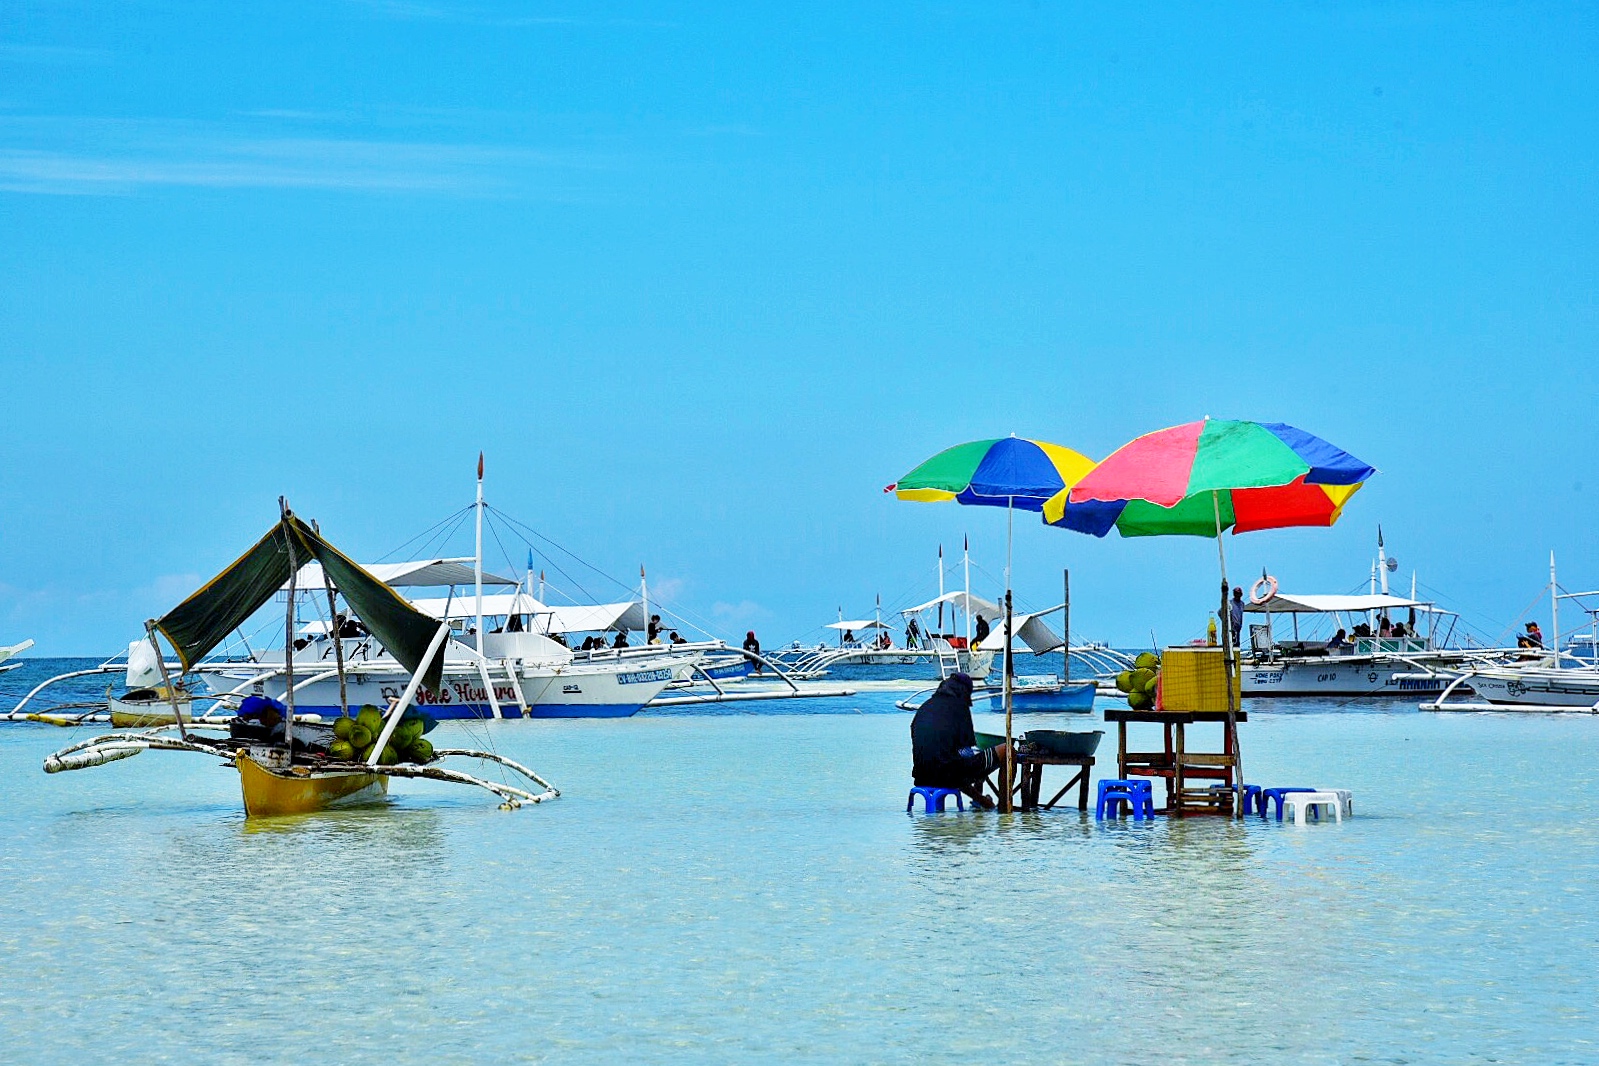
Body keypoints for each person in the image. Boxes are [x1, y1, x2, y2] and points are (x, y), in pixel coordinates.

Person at [910, 673, 1007, 810]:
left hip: (922, 776)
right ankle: (1004, 808)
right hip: (948, 775)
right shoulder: (959, 706)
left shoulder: (924, 708)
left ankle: (982, 802)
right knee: (1007, 751)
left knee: (954, 763)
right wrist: (983, 768)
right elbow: (965, 752)